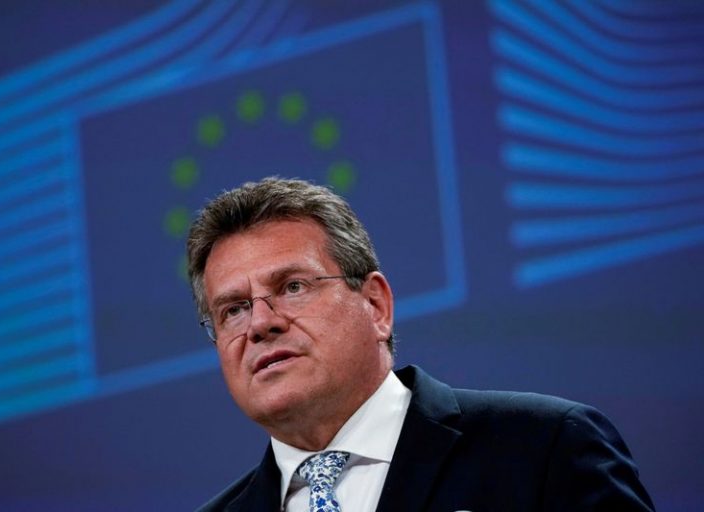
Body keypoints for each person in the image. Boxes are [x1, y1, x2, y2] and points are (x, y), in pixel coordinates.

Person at [187, 177, 655, 511]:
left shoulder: (544, 448)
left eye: (293, 287)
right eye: (234, 310)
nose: (260, 324)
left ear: (375, 305)